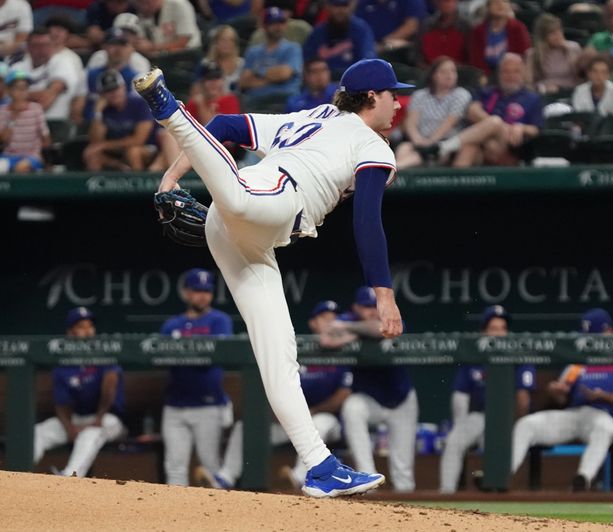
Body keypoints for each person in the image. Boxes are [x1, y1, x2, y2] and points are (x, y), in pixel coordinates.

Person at [133, 56, 409, 497]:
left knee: (279, 355)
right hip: (271, 197)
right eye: (396, 95)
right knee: (241, 200)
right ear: (373, 96)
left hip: (242, 232)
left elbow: (224, 124)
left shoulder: (312, 115)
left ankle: (320, 468)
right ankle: (168, 108)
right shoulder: (372, 145)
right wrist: (384, 294)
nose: (399, 105)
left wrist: (169, 179)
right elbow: (367, 221)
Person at [197, 299, 355, 490]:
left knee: (319, 422)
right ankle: (224, 477)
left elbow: (343, 394)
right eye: (324, 318)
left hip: (327, 420)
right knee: (244, 427)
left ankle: (300, 477)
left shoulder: (341, 351)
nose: (330, 323)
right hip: (290, 421)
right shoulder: (295, 348)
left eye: (334, 319)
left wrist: (313, 410)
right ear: (313, 323)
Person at [511, 309, 613, 491]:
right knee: (526, 424)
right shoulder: (579, 358)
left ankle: (582, 479)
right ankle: (501, 473)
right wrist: (555, 390)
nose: (590, 341)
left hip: (605, 416)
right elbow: (561, 396)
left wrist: (602, 395)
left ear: (608, 332)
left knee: (604, 429)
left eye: (595, 336)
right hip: (574, 415)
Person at [326, 287, 419, 493]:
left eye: (376, 305)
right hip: (370, 400)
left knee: (403, 472)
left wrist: (352, 331)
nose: (373, 311)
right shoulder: (350, 319)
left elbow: (383, 329)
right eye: (367, 306)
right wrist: (362, 330)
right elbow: (327, 337)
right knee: (352, 408)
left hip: (401, 399)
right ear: (356, 308)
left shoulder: (391, 316)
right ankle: (367, 483)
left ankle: (408, 513)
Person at [439, 305, 536, 494]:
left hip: (508, 419)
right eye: (494, 329)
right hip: (479, 416)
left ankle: (493, 494)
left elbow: (523, 400)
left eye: (503, 329)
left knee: (492, 443)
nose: (499, 334)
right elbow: (460, 396)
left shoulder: (520, 356)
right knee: (454, 441)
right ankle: (446, 494)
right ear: (483, 332)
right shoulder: (473, 356)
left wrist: (512, 426)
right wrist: (460, 425)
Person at [159, 268, 235, 487]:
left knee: (211, 468)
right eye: (197, 290)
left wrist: (183, 352)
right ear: (186, 293)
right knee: (174, 467)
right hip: (175, 405)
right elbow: (162, 358)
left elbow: (218, 356)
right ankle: (176, 518)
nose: (202, 295)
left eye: (207, 291)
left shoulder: (219, 321)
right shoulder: (172, 325)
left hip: (208, 405)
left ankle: (216, 519)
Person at [33, 307, 126, 478]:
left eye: (90, 326)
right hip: (77, 418)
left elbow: (111, 385)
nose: (88, 330)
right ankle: (16, 475)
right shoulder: (64, 363)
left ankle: (70, 477)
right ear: (70, 332)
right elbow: (61, 404)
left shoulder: (105, 353)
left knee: (90, 433)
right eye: (81, 326)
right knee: (39, 431)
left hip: (108, 418)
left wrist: (98, 418)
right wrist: (69, 428)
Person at [440, 53, 542, 167]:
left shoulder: (532, 98)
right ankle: (456, 183)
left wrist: (521, 127)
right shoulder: (487, 92)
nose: (510, 76)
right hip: (482, 143)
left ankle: (446, 147)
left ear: (523, 73)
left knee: (495, 122)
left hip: (509, 147)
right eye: (506, 71)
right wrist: (497, 126)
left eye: (515, 71)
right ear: (499, 73)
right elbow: (472, 112)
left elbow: (536, 130)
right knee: (469, 148)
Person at [394, 57, 471, 169]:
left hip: (443, 144)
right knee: (404, 148)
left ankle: (394, 170)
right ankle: (397, 179)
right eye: (444, 71)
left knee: (422, 156)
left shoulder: (461, 94)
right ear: (434, 75)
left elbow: (450, 122)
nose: (449, 75)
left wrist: (430, 142)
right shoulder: (420, 95)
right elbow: (410, 122)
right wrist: (417, 140)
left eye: (453, 71)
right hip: (419, 140)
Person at [83, 69, 157, 171]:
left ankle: (138, 184)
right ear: (102, 94)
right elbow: (96, 141)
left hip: (146, 147)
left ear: (123, 87)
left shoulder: (139, 104)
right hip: (117, 150)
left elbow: (139, 139)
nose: (113, 94)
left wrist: (105, 145)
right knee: (91, 153)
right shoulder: (104, 109)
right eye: (108, 91)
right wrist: (97, 114)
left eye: (116, 88)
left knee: (133, 152)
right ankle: (101, 182)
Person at [11, 27, 82, 121]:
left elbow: (46, 100)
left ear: (52, 45)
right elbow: (7, 99)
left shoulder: (62, 63)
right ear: (28, 47)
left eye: (46, 45)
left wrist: (21, 95)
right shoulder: (17, 67)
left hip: (53, 123)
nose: (42, 49)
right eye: (36, 45)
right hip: (20, 123)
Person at [240, 7, 302, 102]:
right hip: (257, 101)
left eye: (281, 22)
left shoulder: (293, 48)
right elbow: (244, 82)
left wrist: (257, 72)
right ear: (264, 26)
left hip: (284, 99)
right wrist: (274, 77)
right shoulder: (253, 52)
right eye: (273, 23)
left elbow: (283, 74)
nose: (278, 27)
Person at [302, 0, 376, 77]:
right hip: (324, 83)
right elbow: (308, 61)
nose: (340, 10)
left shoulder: (361, 29)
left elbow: (367, 61)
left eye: (344, 5)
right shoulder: (318, 32)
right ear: (328, 7)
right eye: (336, 6)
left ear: (351, 7)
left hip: (353, 81)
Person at [0, 69, 50, 173]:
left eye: (25, 88)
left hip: (32, 155)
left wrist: (44, 157)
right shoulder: (3, 111)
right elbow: (3, 139)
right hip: (9, 155)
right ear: (8, 90)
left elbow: (45, 137)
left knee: (21, 168)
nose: (22, 92)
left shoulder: (36, 109)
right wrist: (13, 116)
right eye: (17, 88)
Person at [468, 0, 531, 76]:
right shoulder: (478, 31)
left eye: (504, 2)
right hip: (486, 76)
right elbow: (476, 61)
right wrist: (483, 76)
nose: (500, 5)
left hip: (512, 73)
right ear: (488, 7)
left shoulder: (518, 28)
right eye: (496, 2)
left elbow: (523, 56)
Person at [526, 14, 581, 95]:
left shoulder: (574, 48)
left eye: (559, 30)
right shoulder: (533, 54)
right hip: (545, 94)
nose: (558, 35)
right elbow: (528, 83)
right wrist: (543, 88)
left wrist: (568, 51)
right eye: (552, 33)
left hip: (571, 92)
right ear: (543, 37)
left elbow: (580, 76)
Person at [85, 13, 152, 75]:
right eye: (123, 31)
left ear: (137, 37)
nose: (126, 36)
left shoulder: (141, 62)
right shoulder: (98, 57)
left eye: (131, 33)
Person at [355, 0, 427, 55]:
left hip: (398, 49)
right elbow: (356, 26)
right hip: (369, 47)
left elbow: (411, 26)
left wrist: (382, 44)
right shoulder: (363, 3)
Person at [134, 0, 202, 57]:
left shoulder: (178, 4)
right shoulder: (144, 13)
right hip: (162, 57)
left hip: (188, 56)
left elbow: (184, 41)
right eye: (140, 3)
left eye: (147, 2)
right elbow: (140, 40)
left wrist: (152, 47)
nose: (144, 7)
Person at [415, 0, 471, 67]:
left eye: (449, 1)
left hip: (459, 72)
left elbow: (471, 58)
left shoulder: (466, 27)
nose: (445, 4)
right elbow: (417, 56)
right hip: (427, 73)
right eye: (442, 1)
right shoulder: (426, 26)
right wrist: (430, 71)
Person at [197, 25, 244, 94]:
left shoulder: (242, 64)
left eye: (231, 40)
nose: (226, 44)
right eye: (223, 40)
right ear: (216, 43)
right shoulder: (206, 64)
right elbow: (197, 90)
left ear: (235, 44)